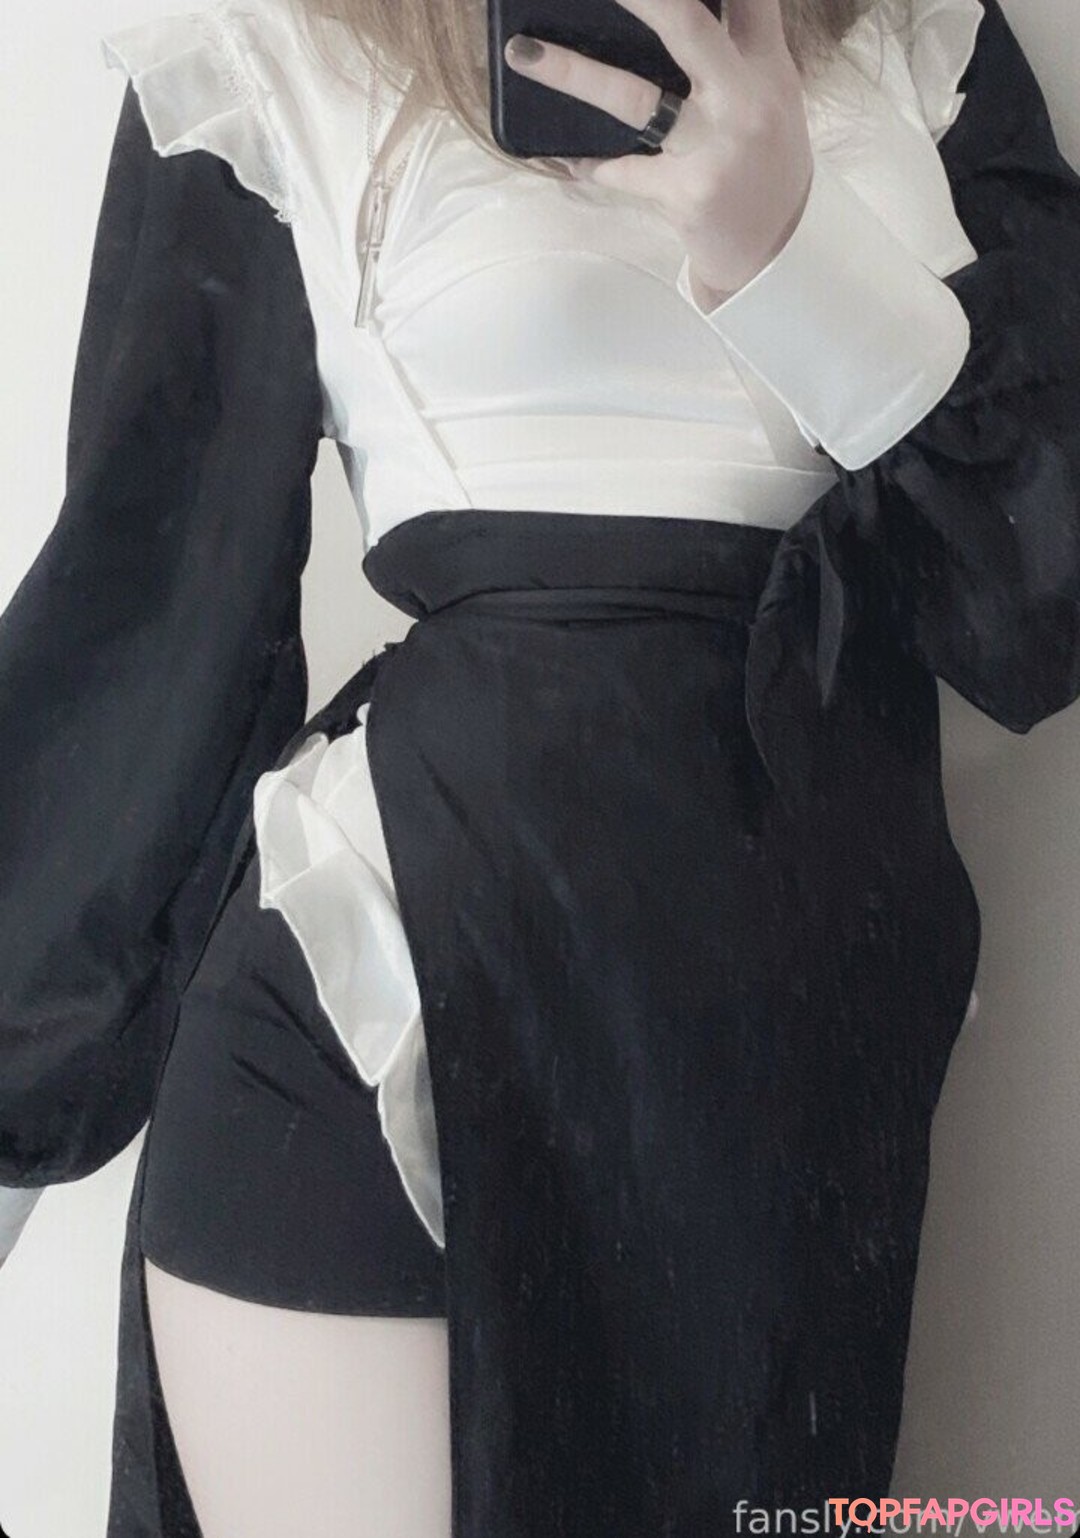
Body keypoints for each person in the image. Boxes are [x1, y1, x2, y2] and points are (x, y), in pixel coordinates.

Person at [1, 0, 1079, 1531]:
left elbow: (1038, 608)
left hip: (797, 1074)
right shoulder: (273, 42)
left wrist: (794, 255)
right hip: (393, 1001)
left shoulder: (919, 36)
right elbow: (153, 613)